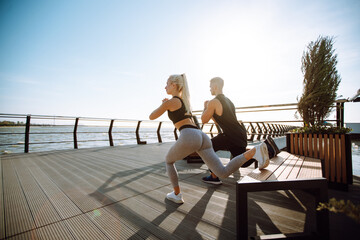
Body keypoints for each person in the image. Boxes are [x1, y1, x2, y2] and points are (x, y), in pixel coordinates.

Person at [149, 74, 274, 204]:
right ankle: (254, 152)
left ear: (174, 85)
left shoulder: (171, 101)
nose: (165, 87)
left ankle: (176, 194)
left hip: (189, 134)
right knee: (223, 172)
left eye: (167, 84)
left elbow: (152, 116)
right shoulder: (185, 102)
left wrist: (163, 105)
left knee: (169, 161)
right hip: (201, 136)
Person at [201, 77, 279, 185]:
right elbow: (219, 120)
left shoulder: (213, 102)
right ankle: (264, 148)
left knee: (208, 147)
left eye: (210, 87)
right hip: (239, 133)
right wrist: (210, 111)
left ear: (215, 86)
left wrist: (205, 107)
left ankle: (214, 177)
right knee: (243, 162)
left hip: (230, 135)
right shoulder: (229, 101)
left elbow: (204, 120)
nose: (210, 89)